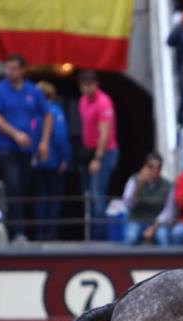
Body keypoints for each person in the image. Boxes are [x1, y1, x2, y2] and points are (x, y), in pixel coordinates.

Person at [0, 54, 52, 242]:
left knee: (24, 188)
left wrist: (44, 142)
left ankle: (23, 229)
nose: (9, 72)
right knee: (12, 186)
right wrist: (15, 134)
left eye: (14, 68)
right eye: (7, 67)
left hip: (26, 151)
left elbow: (47, 114)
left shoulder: (32, 91)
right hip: (4, 147)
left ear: (23, 70)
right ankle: (17, 231)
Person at [77, 69, 118, 240]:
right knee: (88, 194)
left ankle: (98, 237)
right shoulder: (82, 101)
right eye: (84, 85)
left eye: (90, 84)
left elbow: (105, 133)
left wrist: (97, 159)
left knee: (97, 194)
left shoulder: (104, 102)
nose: (87, 88)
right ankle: (92, 233)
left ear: (96, 84)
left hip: (104, 152)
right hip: (88, 151)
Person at [32, 81, 70, 241]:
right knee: (53, 198)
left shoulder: (34, 113)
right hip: (52, 160)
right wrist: (64, 158)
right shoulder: (55, 111)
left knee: (41, 197)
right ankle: (51, 233)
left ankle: (41, 233)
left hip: (37, 160)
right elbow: (61, 137)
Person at [122, 153, 172, 246]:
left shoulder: (167, 185)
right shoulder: (134, 180)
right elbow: (128, 204)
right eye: (151, 166)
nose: (155, 170)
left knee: (163, 237)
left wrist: (153, 228)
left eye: (158, 167)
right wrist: (139, 185)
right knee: (130, 236)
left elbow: (168, 211)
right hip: (137, 220)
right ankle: (128, 261)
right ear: (144, 166)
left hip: (157, 223)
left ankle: (165, 261)